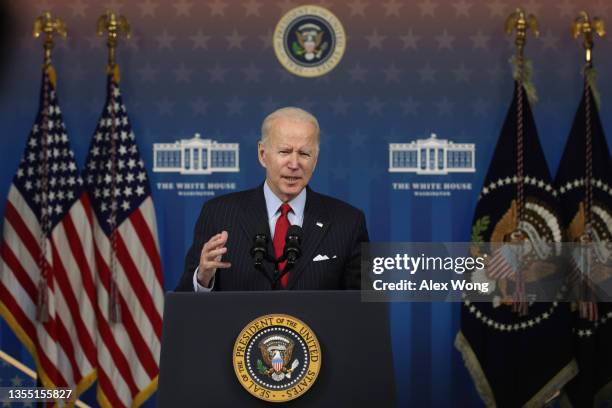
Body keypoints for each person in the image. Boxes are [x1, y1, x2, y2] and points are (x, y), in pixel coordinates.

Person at [175, 107, 369, 291]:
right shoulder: (218, 214)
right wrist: (202, 278)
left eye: (304, 153)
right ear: (263, 154)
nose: (294, 164)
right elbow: (185, 303)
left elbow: (366, 310)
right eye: (284, 152)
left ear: (315, 160)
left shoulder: (348, 222)